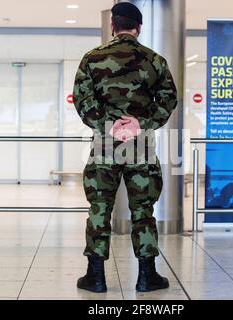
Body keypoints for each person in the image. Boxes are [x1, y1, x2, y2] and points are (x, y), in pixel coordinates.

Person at [73, 2, 178, 293]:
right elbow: (169, 98)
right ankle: (147, 276)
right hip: (141, 147)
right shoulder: (154, 60)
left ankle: (95, 277)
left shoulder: (92, 59)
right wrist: (140, 124)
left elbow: (83, 101)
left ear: (113, 26)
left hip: (105, 146)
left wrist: (109, 126)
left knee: (99, 208)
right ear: (138, 27)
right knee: (143, 209)